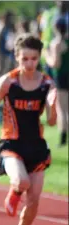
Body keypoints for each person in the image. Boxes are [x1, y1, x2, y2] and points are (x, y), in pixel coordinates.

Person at [0, 33, 57, 225]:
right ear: (17, 57)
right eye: (24, 58)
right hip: (11, 143)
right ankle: (15, 190)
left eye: (33, 59)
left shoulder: (47, 83)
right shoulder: (8, 81)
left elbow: (53, 121)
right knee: (21, 181)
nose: (29, 64)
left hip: (36, 146)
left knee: (35, 200)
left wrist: (53, 106)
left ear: (39, 58)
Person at [43, 17, 69, 146]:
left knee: (62, 109)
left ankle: (63, 138)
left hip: (61, 77)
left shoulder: (56, 43)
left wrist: (46, 55)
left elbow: (56, 63)